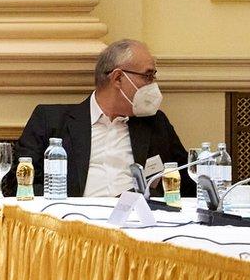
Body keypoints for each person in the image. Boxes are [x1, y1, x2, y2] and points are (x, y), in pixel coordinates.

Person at [12, 39, 189, 198]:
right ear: (118, 78)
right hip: (75, 223)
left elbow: (187, 179)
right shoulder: (50, 120)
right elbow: (18, 184)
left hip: (137, 222)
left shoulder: (155, 123)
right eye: (148, 76)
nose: (153, 85)